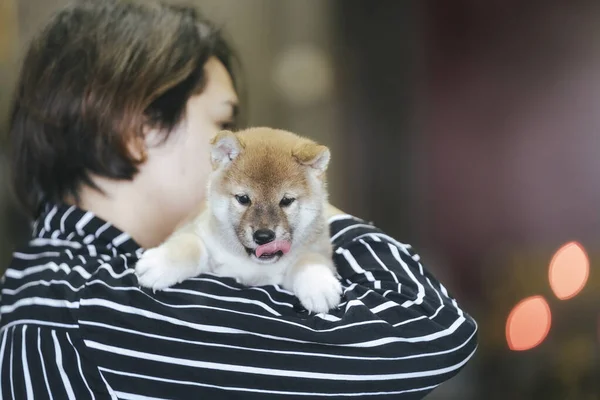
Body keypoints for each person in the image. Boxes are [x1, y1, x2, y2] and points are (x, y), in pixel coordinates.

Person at [1, 1, 478, 399]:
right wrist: (305, 199)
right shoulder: (113, 306)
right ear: (138, 130)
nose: (241, 148)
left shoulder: (46, 281)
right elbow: (432, 331)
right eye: (222, 122)